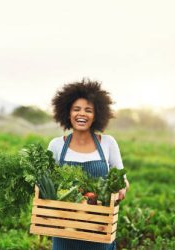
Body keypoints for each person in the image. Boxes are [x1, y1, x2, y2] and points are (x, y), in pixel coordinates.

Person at [48, 79, 129, 250]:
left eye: (88, 110)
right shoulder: (56, 145)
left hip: (99, 229)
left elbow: (121, 177)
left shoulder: (108, 143)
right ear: (68, 113)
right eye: (76, 109)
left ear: (97, 115)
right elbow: (47, 182)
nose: (81, 114)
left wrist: (122, 186)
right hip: (65, 233)